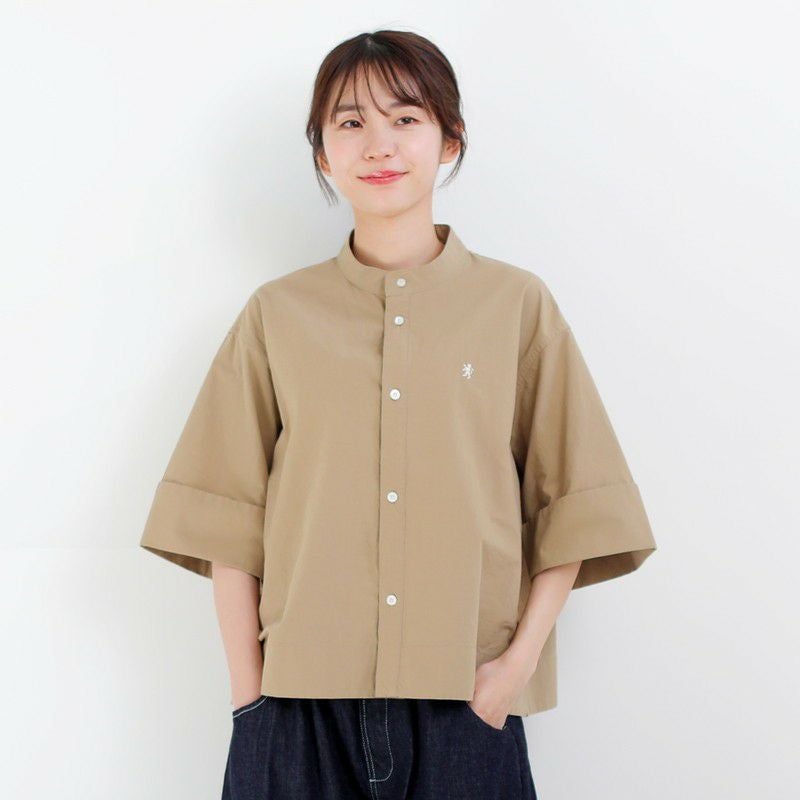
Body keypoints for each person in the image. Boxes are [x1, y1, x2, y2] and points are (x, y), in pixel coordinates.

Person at [139, 29, 657, 800]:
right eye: (350, 122)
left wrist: (509, 675)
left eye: (405, 118)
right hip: (297, 708)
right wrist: (252, 702)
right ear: (323, 154)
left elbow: (575, 507)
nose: (378, 144)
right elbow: (227, 523)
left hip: (465, 705)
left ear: (450, 138)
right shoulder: (278, 315)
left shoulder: (516, 306)